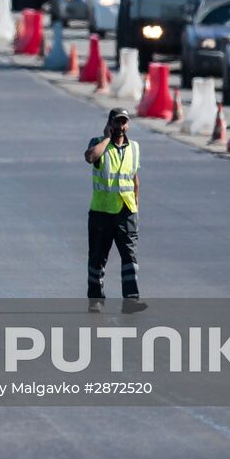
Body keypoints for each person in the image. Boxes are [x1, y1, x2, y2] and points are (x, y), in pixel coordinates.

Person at [83, 108, 144, 311]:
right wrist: (106, 140)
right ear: (109, 124)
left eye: (124, 123)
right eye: (117, 123)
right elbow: (90, 157)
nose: (121, 127)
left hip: (126, 211)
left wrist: (136, 207)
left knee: (130, 259)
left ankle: (131, 301)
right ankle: (95, 301)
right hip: (101, 212)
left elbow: (135, 179)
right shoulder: (98, 143)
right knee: (98, 259)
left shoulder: (134, 148)